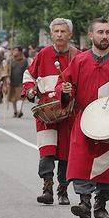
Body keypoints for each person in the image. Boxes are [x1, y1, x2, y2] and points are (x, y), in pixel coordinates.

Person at [57, 18, 109, 218]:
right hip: (85, 117)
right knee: (81, 160)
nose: (105, 36)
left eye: (107, 32)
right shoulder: (80, 60)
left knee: (108, 165)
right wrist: (66, 91)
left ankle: (101, 205)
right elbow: (64, 84)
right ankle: (84, 202)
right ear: (91, 35)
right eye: (100, 32)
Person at [23, 18, 79, 205]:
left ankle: (63, 190)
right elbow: (29, 75)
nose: (59, 35)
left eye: (63, 31)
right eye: (56, 31)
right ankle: (47, 188)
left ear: (70, 34)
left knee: (65, 153)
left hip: (68, 110)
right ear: (51, 34)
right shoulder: (43, 54)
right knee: (47, 150)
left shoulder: (77, 56)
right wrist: (30, 89)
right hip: (46, 111)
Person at [6, 47, 28, 118]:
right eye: (13, 50)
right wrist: (7, 78)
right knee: (13, 98)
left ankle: (19, 111)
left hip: (21, 81)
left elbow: (27, 71)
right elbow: (7, 70)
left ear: (20, 52)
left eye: (16, 50)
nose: (14, 52)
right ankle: (15, 111)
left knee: (19, 97)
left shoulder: (24, 61)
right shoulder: (10, 60)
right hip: (12, 81)